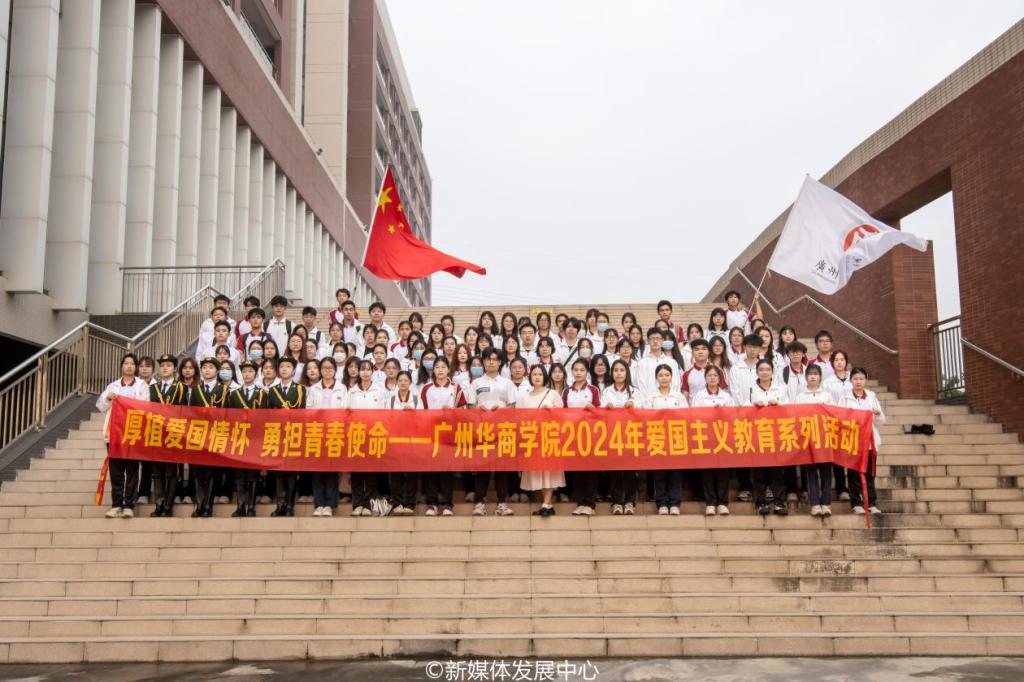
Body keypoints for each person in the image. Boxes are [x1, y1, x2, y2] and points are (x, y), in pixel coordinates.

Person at [98, 353, 150, 518]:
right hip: (114, 433)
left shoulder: (142, 385)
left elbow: (145, 407)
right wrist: (108, 398)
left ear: (136, 367)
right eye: (126, 363)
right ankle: (116, 504)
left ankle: (129, 505)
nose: (129, 366)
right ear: (122, 366)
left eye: (132, 364)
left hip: (133, 433)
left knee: (132, 470)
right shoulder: (113, 385)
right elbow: (101, 406)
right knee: (116, 470)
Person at [467, 348, 518, 516]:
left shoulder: (507, 383)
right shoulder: (476, 383)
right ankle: (479, 503)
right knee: (482, 467)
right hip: (482, 431)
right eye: (488, 359)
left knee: (501, 468)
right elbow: (470, 406)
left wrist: (500, 411)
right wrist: (478, 410)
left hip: (502, 431)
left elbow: (512, 406)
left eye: (494, 359)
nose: (491, 362)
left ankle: (502, 503)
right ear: (483, 362)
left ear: (500, 362)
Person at [420, 357, 466, 516]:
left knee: (447, 469)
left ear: (448, 370)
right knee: (430, 469)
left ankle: (447, 504)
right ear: (433, 370)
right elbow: (422, 410)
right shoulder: (426, 388)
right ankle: (431, 503)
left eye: (443, 367)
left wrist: (452, 411)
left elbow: (463, 411)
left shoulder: (456, 388)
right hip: (431, 433)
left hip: (449, 433)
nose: (440, 370)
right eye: (437, 367)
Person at [518, 365, 564, 517]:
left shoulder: (552, 394)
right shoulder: (524, 397)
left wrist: (551, 411)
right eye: (534, 374)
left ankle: (546, 503)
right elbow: (519, 418)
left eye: (540, 374)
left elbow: (562, 415)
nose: (537, 377)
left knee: (549, 471)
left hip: (549, 436)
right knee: (538, 471)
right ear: (530, 377)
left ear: (545, 376)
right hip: (532, 438)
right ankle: (548, 504)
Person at [690, 365, 735, 515]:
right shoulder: (699, 396)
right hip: (706, 436)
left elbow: (733, 416)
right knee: (707, 470)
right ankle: (710, 502)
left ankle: (722, 502)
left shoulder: (726, 397)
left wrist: (722, 412)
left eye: (715, 375)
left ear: (719, 378)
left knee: (723, 470)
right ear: (705, 378)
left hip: (722, 437)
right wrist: (710, 413)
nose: (712, 378)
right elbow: (694, 415)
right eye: (709, 375)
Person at [347, 359, 388, 516]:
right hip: (356, 435)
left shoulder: (379, 391)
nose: (365, 372)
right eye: (362, 369)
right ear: (358, 372)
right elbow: (346, 413)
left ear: (372, 371)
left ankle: (368, 503)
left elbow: (384, 413)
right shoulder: (352, 391)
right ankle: (357, 504)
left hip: (373, 435)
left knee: (371, 471)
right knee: (356, 471)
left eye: (368, 369)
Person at [841, 367, 885, 515]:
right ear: (851, 380)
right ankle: (856, 503)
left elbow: (881, 421)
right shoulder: (845, 398)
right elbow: (840, 420)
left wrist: (877, 415)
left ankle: (871, 503)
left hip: (870, 441)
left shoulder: (871, 397)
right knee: (853, 473)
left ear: (865, 380)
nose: (858, 381)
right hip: (853, 440)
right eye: (855, 379)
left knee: (870, 474)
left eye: (861, 379)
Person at [645, 364, 688, 515]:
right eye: (661, 375)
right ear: (656, 378)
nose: (664, 378)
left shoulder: (678, 396)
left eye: (667, 375)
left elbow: (686, 415)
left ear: (671, 377)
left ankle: (675, 502)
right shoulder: (651, 397)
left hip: (675, 437)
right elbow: (645, 416)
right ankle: (662, 503)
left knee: (675, 471)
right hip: (657, 437)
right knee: (659, 471)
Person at [189, 357, 229, 518]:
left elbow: (227, 414)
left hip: (215, 434)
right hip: (198, 434)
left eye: (211, 367)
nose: (207, 370)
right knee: (197, 471)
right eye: (204, 367)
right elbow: (190, 412)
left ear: (217, 371)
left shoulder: (224, 390)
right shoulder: (196, 390)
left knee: (212, 472)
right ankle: (199, 504)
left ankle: (208, 505)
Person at [308, 357, 347, 517]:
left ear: (335, 370)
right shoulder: (313, 388)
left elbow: (345, 410)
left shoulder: (342, 388)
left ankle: (330, 504)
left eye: (330, 368)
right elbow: (308, 409)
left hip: (334, 432)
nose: (327, 371)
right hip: (317, 432)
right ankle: (319, 504)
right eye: (324, 368)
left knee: (331, 469)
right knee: (317, 470)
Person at [226, 360, 266, 517]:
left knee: (253, 474)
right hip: (239, 438)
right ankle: (240, 506)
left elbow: (266, 418)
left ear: (255, 374)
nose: (247, 374)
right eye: (244, 371)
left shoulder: (262, 393)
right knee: (239, 474)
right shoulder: (234, 394)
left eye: (250, 371)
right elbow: (229, 417)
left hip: (255, 439)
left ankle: (251, 507)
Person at [148, 354, 186, 517]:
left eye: (168, 365)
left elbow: (185, 412)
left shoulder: (181, 388)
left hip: (173, 434)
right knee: (157, 472)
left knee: (171, 471)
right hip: (156, 434)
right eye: (162, 365)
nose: (165, 368)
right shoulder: (152, 388)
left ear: (175, 369)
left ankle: (168, 506)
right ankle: (159, 504)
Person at [602, 359, 641, 515]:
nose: (619, 373)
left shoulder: (634, 391)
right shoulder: (607, 391)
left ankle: (630, 501)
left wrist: (633, 405)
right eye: (616, 370)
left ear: (627, 372)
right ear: (612, 373)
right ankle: (617, 501)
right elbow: (601, 410)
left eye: (622, 370)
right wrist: (606, 408)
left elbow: (642, 409)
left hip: (630, 434)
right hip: (612, 435)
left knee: (630, 469)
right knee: (615, 469)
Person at [750, 359, 789, 516]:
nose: (764, 372)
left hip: (777, 435)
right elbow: (743, 409)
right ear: (757, 372)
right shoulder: (751, 389)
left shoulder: (781, 389)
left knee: (777, 470)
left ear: (772, 372)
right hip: (757, 435)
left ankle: (780, 502)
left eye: (768, 369)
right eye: (761, 369)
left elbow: (789, 409)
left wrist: (778, 406)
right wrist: (754, 407)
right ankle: (761, 502)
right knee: (759, 470)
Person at [268, 357, 306, 517]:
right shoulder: (272, 390)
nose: (284, 369)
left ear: (294, 370)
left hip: (294, 433)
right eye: (282, 366)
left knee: (291, 471)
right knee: (278, 471)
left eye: (288, 366)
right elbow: (268, 414)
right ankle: (280, 504)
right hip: (277, 434)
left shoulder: (300, 389)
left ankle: (290, 505)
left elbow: (302, 411)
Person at [795, 365, 834, 516]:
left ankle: (826, 503)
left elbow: (834, 415)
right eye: (810, 374)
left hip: (825, 440)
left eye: (816, 374)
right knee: (810, 473)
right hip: (808, 440)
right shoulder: (800, 397)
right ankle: (815, 504)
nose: (813, 377)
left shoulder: (827, 396)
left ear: (820, 377)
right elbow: (796, 416)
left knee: (826, 473)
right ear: (806, 377)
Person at [563, 359, 602, 516]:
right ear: (572, 372)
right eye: (576, 370)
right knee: (577, 469)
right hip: (573, 435)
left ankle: (590, 503)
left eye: (582, 370)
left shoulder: (593, 390)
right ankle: (580, 502)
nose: (578, 373)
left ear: (587, 372)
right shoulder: (567, 391)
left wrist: (593, 409)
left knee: (591, 469)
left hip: (590, 434)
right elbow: (563, 412)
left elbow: (600, 411)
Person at [387, 371, 420, 516]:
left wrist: (413, 412)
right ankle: (397, 503)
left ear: (410, 382)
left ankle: (410, 503)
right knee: (396, 473)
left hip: (413, 440)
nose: (403, 383)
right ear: (396, 382)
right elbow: (385, 418)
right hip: (396, 440)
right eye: (400, 380)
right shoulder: (391, 399)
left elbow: (423, 418)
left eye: (406, 380)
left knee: (412, 472)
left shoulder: (416, 399)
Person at [824, 350, 854, 500]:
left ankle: (855, 487)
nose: (839, 362)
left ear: (846, 362)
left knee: (853, 455)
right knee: (838, 456)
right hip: (835, 423)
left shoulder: (854, 378)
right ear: (832, 363)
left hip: (853, 422)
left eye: (842, 359)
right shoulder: (827, 382)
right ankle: (842, 488)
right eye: (836, 360)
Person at [636, 327, 680, 397]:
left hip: (670, 401)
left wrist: (669, 399)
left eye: (658, 338)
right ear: (648, 341)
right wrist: (650, 401)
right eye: (652, 338)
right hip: (648, 401)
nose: (655, 341)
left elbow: (676, 384)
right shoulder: (642, 363)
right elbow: (641, 386)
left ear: (662, 340)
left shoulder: (672, 362)